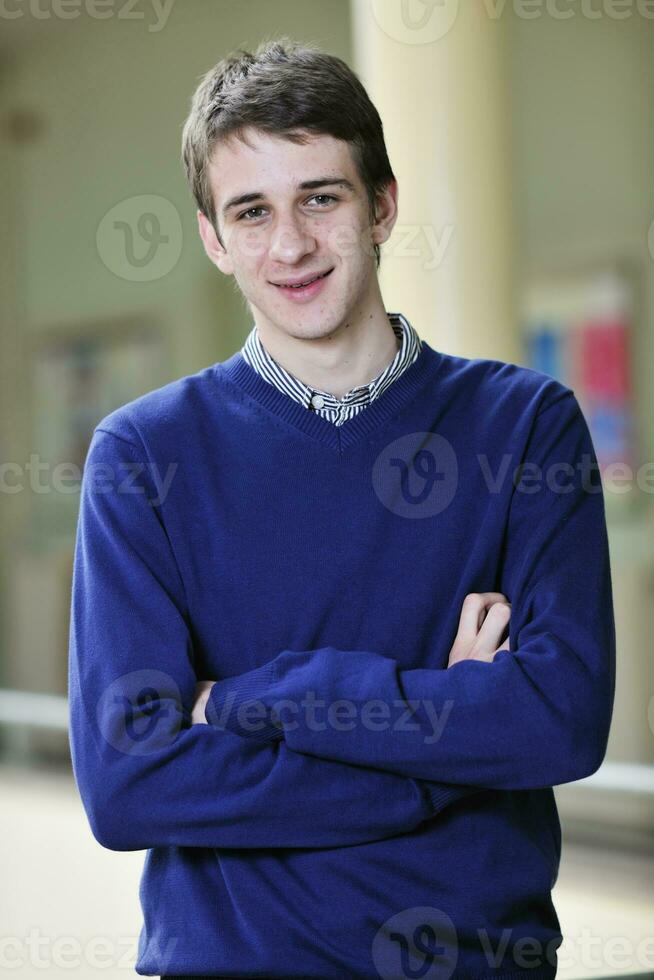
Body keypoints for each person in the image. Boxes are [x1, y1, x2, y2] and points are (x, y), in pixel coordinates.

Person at [67, 36, 616, 980]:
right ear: (211, 236)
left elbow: (558, 723)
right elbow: (128, 785)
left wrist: (247, 701)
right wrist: (448, 735)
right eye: (251, 211)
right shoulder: (144, 454)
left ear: (382, 206)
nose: (289, 245)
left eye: (320, 197)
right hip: (232, 969)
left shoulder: (525, 426)